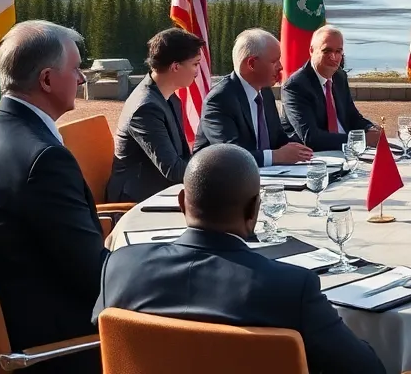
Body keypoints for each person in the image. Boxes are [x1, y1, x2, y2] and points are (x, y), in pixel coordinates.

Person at [93, 144, 386, 374]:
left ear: (182, 203)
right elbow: (366, 369)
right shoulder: (290, 288)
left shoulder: (120, 265)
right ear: (254, 211)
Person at [0, 21, 106, 374]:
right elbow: (95, 278)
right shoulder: (44, 159)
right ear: (47, 80)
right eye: (76, 69)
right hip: (50, 349)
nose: (82, 79)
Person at [107, 28, 203, 203]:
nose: (198, 72)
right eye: (195, 64)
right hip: (136, 201)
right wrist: (218, 165)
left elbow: (181, 157)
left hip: (163, 190)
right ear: (175, 66)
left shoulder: (169, 97)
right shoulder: (146, 108)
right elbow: (173, 170)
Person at [192, 29, 312, 165]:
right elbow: (231, 155)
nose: (280, 67)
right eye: (274, 61)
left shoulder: (265, 92)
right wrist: (275, 156)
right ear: (252, 64)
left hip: (266, 177)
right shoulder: (219, 100)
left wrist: (302, 149)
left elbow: (278, 140)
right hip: (222, 181)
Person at [281, 25, 378, 151]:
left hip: (347, 150)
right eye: (327, 51)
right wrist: (361, 139)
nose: (333, 57)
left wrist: (370, 128)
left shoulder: (340, 76)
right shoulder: (296, 86)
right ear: (311, 50)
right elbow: (310, 138)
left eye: (338, 51)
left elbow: (352, 116)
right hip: (314, 156)